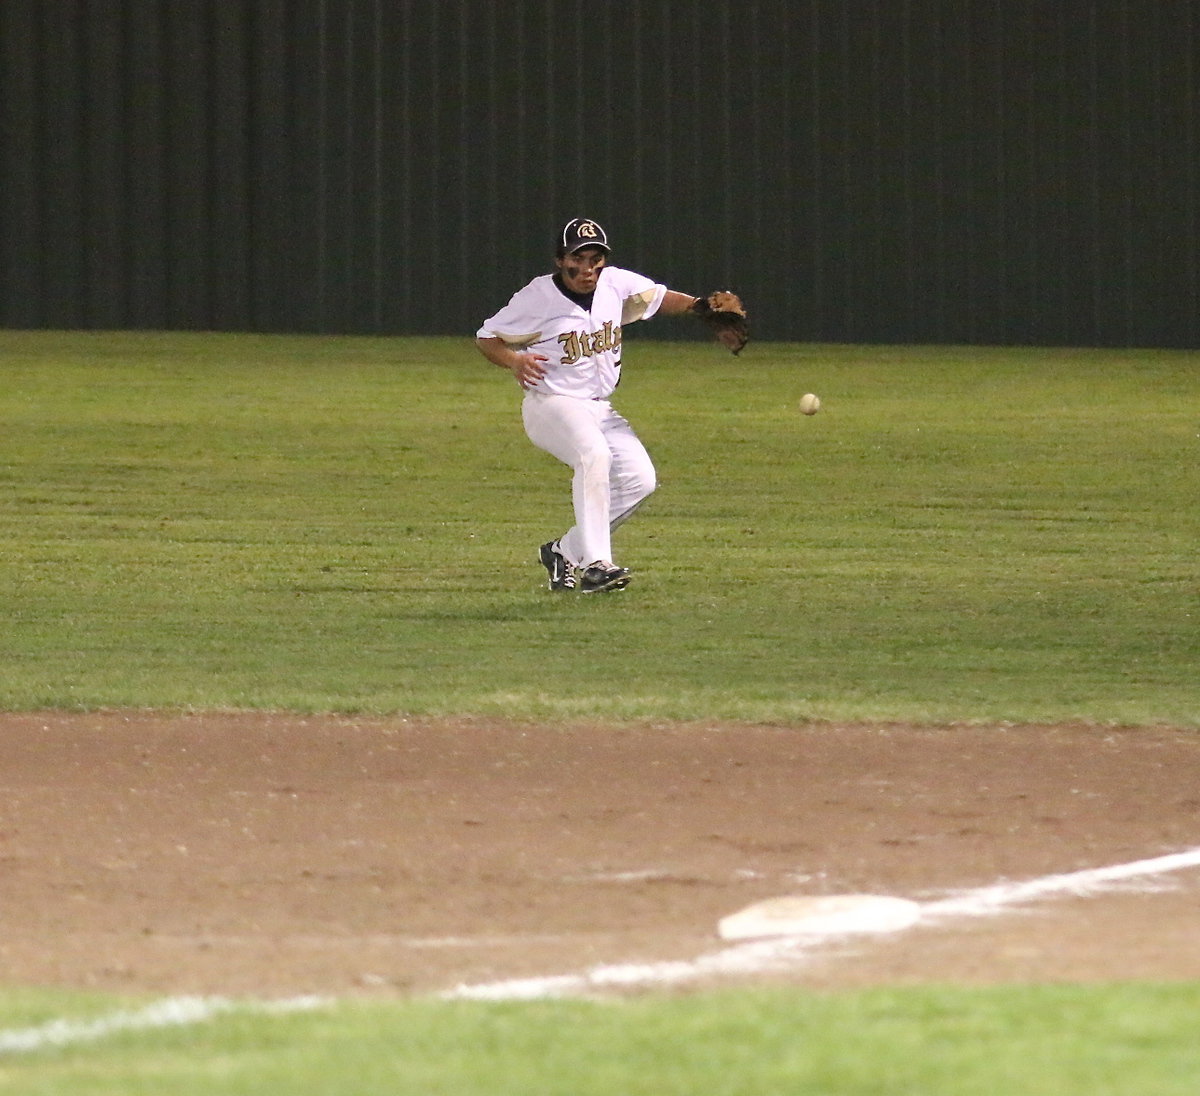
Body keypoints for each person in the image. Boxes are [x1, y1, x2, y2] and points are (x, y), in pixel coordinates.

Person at [475, 217, 747, 593]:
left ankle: (564, 551)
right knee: (593, 456)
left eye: (595, 258)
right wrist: (515, 360)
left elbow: (657, 297)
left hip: (599, 408)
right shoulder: (537, 297)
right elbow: (487, 337)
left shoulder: (615, 284)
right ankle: (597, 566)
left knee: (640, 480)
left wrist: (701, 307)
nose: (587, 268)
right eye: (578, 258)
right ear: (560, 260)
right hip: (551, 403)